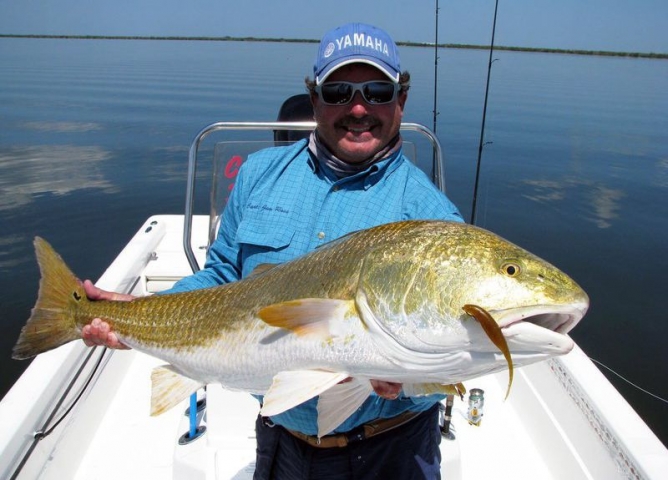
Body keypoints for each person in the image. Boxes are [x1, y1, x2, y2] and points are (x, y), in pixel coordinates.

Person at [82, 22, 463, 480]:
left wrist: (406, 384)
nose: (359, 108)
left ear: (400, 101)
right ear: (314, 97)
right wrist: (144, 312)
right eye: (340, 91)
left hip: (389, 453)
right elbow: (223, 275)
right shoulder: (259, 173)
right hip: (281, 441)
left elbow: (451, 356)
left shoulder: (432, 224)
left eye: (377, 91)